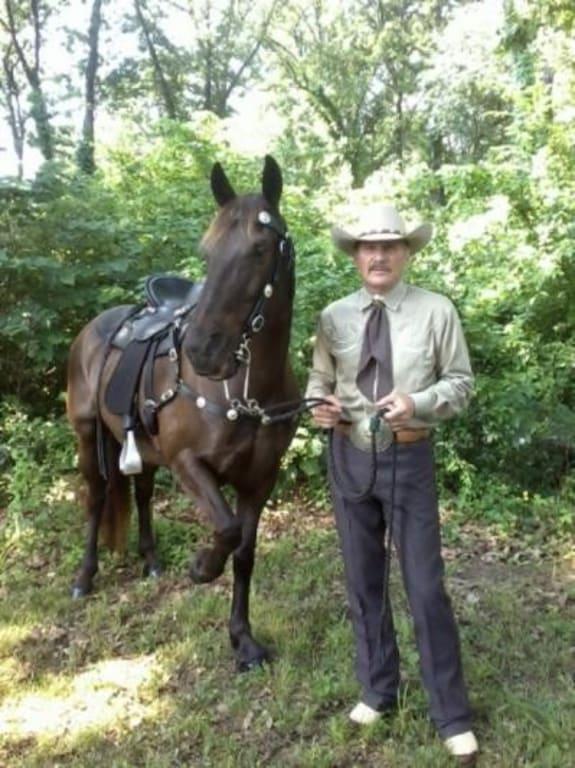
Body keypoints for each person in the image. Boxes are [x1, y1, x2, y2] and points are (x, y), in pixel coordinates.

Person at [306, 204, 478, 764]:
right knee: (363, 581)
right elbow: (319, 381)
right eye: (367, 246)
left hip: (408, 457)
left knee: (425, 587)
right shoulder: (333, 316)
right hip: (349, 458)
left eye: (389, 245)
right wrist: (320, 406)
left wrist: (419, 402)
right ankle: (378, 688)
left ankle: (451, 714)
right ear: (355, 255)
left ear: (406, 252)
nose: (378, 255)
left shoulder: (436, 311)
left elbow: (461, 384)